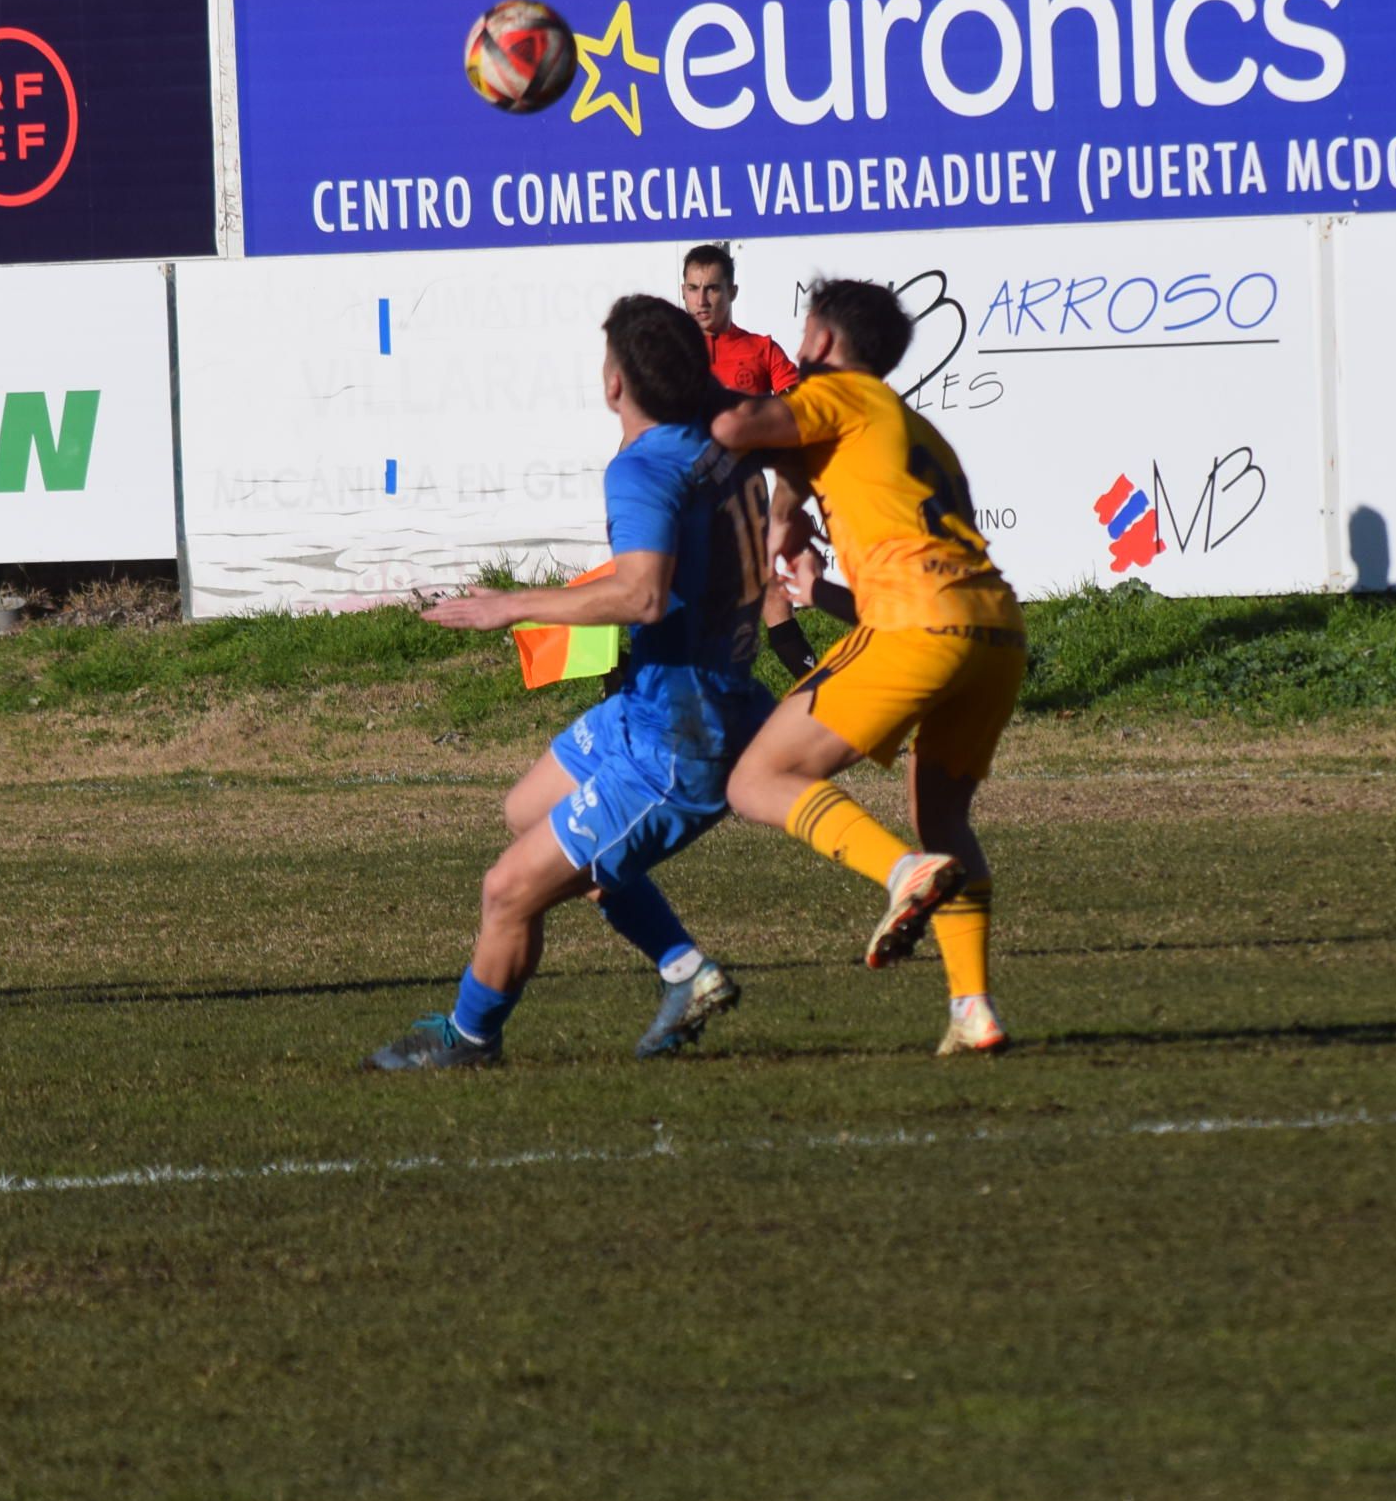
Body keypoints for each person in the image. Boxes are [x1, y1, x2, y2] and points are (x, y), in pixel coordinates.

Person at [368, 297, 774, 1068]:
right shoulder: (728, 430)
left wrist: (510, 607)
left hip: (682, 742)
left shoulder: (644, 467)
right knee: (527, 811)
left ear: (614, 383)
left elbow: (641, 594)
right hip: (655, 701)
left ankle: (470, 1038)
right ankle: (685, 971)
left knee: (508, 890)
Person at [709, 277, 1022, 1055]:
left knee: (755, 780)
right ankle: (970, 1007)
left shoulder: (836, 393)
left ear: (817, 341)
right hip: (994, 628)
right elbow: (809, 473)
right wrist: (792, 530)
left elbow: (738, 422)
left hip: (918, 622)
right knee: (945, 818)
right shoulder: (908, 424)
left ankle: (898, 872)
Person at [680, 243, 816, 681]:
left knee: (774, 598)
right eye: (694, 289)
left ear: (732, 291)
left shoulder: (759, 349)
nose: (702, 300)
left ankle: (829, 697)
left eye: (713, 289)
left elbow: (800, 403)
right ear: (682, 291)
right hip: (684, 500)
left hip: (742, 496)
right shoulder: (669, 355)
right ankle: (631, 698)